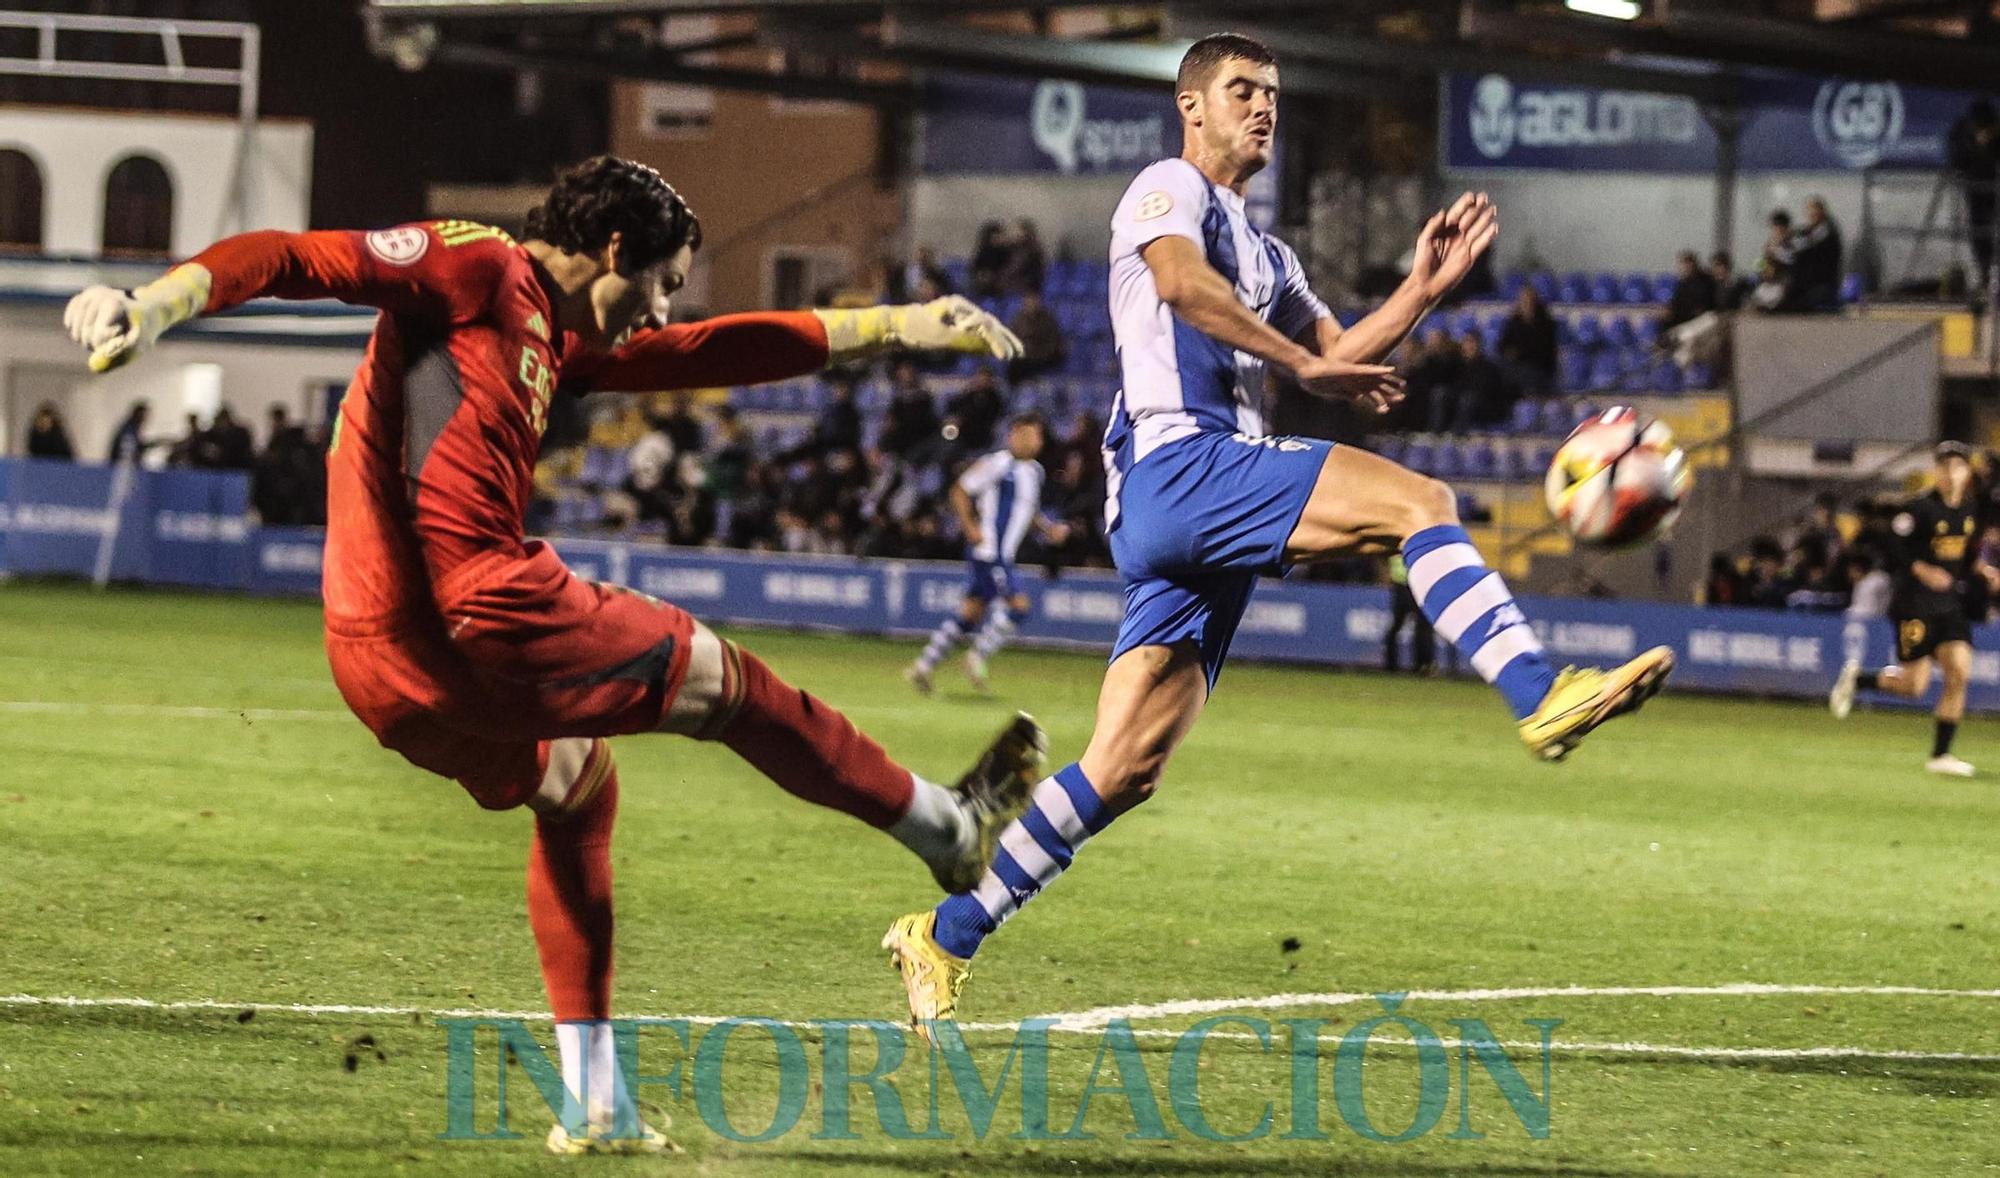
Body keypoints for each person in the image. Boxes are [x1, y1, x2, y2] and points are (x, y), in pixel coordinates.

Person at [62, 155, 1042, 1154]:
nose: (660, 309)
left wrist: (888, 326)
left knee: (578, 790)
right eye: (660, 282)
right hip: (474, 613)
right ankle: (942, 826)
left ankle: (598, 1103)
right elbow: (291, 254)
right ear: (614, 248)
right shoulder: (477, 266)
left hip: (379, 666)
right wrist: (154, 303)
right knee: (729, 682)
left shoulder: (547, 326)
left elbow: (698, 353)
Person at [881, 34, 1673, 1037]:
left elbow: (1337, 349)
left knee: (1123, 766)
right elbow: (1180, 289)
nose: (1262, 108)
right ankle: (1537, 692)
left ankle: (943, 934)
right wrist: (1301, 370)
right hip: (1183, 467)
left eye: (1271, 94)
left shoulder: (1270, 254)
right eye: (1240, 91)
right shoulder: (1164, 188)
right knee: (1420, 502)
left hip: (1187, 511)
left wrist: (1420, 290)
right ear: (1192, 109)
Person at [1830, 443, 1997, 776]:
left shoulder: (1968, 508)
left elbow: (1963, 553)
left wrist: (1983, 569)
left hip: (1948, 605)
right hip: (1913, 603)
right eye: (1945, 466)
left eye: (1958, 467)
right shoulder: (1920, 509)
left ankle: (1941, 755)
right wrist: (1922, 569)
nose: (1951, 473)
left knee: (1959, 672)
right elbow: (1891, 545)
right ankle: (1860, 679)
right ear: (1936, 471)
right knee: (1914, 686)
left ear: (1967, 472)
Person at [906, 412, 1062, 695]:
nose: (1037, 441)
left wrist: (1047, 529)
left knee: (970, 614)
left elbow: (1028, 510)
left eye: (1039, 436)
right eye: (1031, 434)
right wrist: (969, 527)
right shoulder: (998, 464)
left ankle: (923, 666)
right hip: (990, 552)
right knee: (1019, 606)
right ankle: (975, 658)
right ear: (1015, 434)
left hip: (1000, 555)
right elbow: (960, 490)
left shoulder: (1035, 472)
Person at [1949, 100, 1999, 288]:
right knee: (1979, 232)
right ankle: (1985, 273)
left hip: (1995, 186)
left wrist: (1991, 143)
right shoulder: (1961, 132)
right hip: (1975, 188)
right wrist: (1976, 145)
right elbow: (1956, 158)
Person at [1496, 285, 1556, 395]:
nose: (1526, 303)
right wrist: (1509, 352)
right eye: (1523, 300)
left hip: (1537, 368)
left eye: (1529, 300)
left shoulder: (1545, 323)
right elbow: (1501, 345)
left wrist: (1519, 352)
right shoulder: (1514, 322)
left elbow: (1544, 351)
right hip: (1515, 366)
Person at [1381, 553, 1434, 672]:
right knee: (1420, 626)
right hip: (1408, 585)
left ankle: (1395, 665)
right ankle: (1422, 665)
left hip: (1406, 584)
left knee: (1405, 625)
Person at [1790, 197, 1843, 312]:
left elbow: (1805, 246)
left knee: (1797, 304)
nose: (1811, 214)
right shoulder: (1805, 232)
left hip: (1822, 284)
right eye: (1809, 211)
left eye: (1815, 211)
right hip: (1807, 283)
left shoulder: (1827, 232)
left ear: (1822, 212)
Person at [1007, 290, 1068, 382]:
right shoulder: (1019, 319)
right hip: (1026, 355)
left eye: (1033, 300)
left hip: (1042, 355)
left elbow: (1053, 341)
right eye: (1028, 300)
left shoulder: (1047, 319)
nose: (1031, 303)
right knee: (1014, 366)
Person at [1663, 249, 1717, 330]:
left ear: (1692, 264)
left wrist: (1674, 313)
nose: (1682, 268)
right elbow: (1676, 302)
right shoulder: (1684, 283)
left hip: (1696, 321)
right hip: (1680, 318)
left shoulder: (1704, 282)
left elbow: (1699, 309)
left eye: (1685, 264)